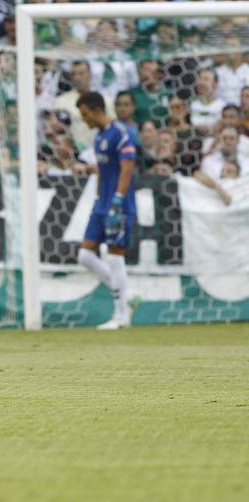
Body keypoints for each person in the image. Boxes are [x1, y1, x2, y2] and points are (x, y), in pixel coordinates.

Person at [76, 91, 138, 331]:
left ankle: (122, 316)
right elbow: (105, 169)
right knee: (85, 255)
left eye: (85, 114)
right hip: (101, 203)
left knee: (114, 256)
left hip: (118, 204)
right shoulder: (100, 136)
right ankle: (128, 294)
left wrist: (118, 199)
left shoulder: (121, 133)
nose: (84, 120)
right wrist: (98, 192)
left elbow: (127, 168)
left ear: (96, 110)